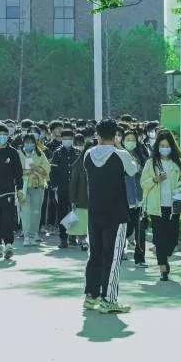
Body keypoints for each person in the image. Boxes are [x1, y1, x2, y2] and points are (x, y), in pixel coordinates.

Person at [82, 119, 138, 314]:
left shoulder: (88, 154)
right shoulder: (121, 155)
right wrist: (119, 147)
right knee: (113, 257)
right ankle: (109, 299)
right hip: (116, 213)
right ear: (115, 136)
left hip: (94, 212)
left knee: (95, 254)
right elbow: (133, 170)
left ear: (97, 134)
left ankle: (91, 295)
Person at [141, 131, 181, 281]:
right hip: (157, 207)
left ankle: (165, 255)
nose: (164, 148)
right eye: (162, 145)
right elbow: (143, 183)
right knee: (160, 238)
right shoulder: (151, 163)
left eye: (167, 146)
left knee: (172, 239)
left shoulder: (177, 163)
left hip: (173, 207)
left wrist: (180, 190)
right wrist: (155, 180)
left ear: (172, 147)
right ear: (157, 147)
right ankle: (163, 268)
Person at [0, 123, 23, 259]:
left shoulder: (13, 152)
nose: (2, 137)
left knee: (8, 218)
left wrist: (20, 188)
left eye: (4, 135)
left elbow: (18, 173)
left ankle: (8, 244)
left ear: (8, 136)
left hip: (8, 191)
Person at [49, 129, 80, 248]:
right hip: (61, 188)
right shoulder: (57, 153)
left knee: (74, 212)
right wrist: (54, 186)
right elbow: (53, 171)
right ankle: (63, 238)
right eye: (65, 138)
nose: (67, 140)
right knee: (62, 213)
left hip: (75, 188)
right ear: (61, 139)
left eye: (70, 138)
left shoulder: (77, 152)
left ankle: (72, 236)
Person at [121, 129, 148, 266]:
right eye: (128, 139)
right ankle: (120, 250)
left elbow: (147, 173)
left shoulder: (142, 156)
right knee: (126, 228)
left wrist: (137, 167)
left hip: (140, 198)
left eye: (133, 139)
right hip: (124, 199)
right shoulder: (118, 156)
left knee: (140, 230)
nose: (130, 142)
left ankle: (140, 258)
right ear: (123, 141)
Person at [19, 133, 49, 248]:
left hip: (37, 185)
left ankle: (33, 234)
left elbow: (47, 168)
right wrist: (25, 171)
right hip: (23, 186)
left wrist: (36, 168)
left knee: (36, 211)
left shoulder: (40, 154)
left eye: (31, 142)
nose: (29, 144)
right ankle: (26, 236)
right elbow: (15, 169)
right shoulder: (18, 153)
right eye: (27, 142)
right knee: (25, 211)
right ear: (23, 143)